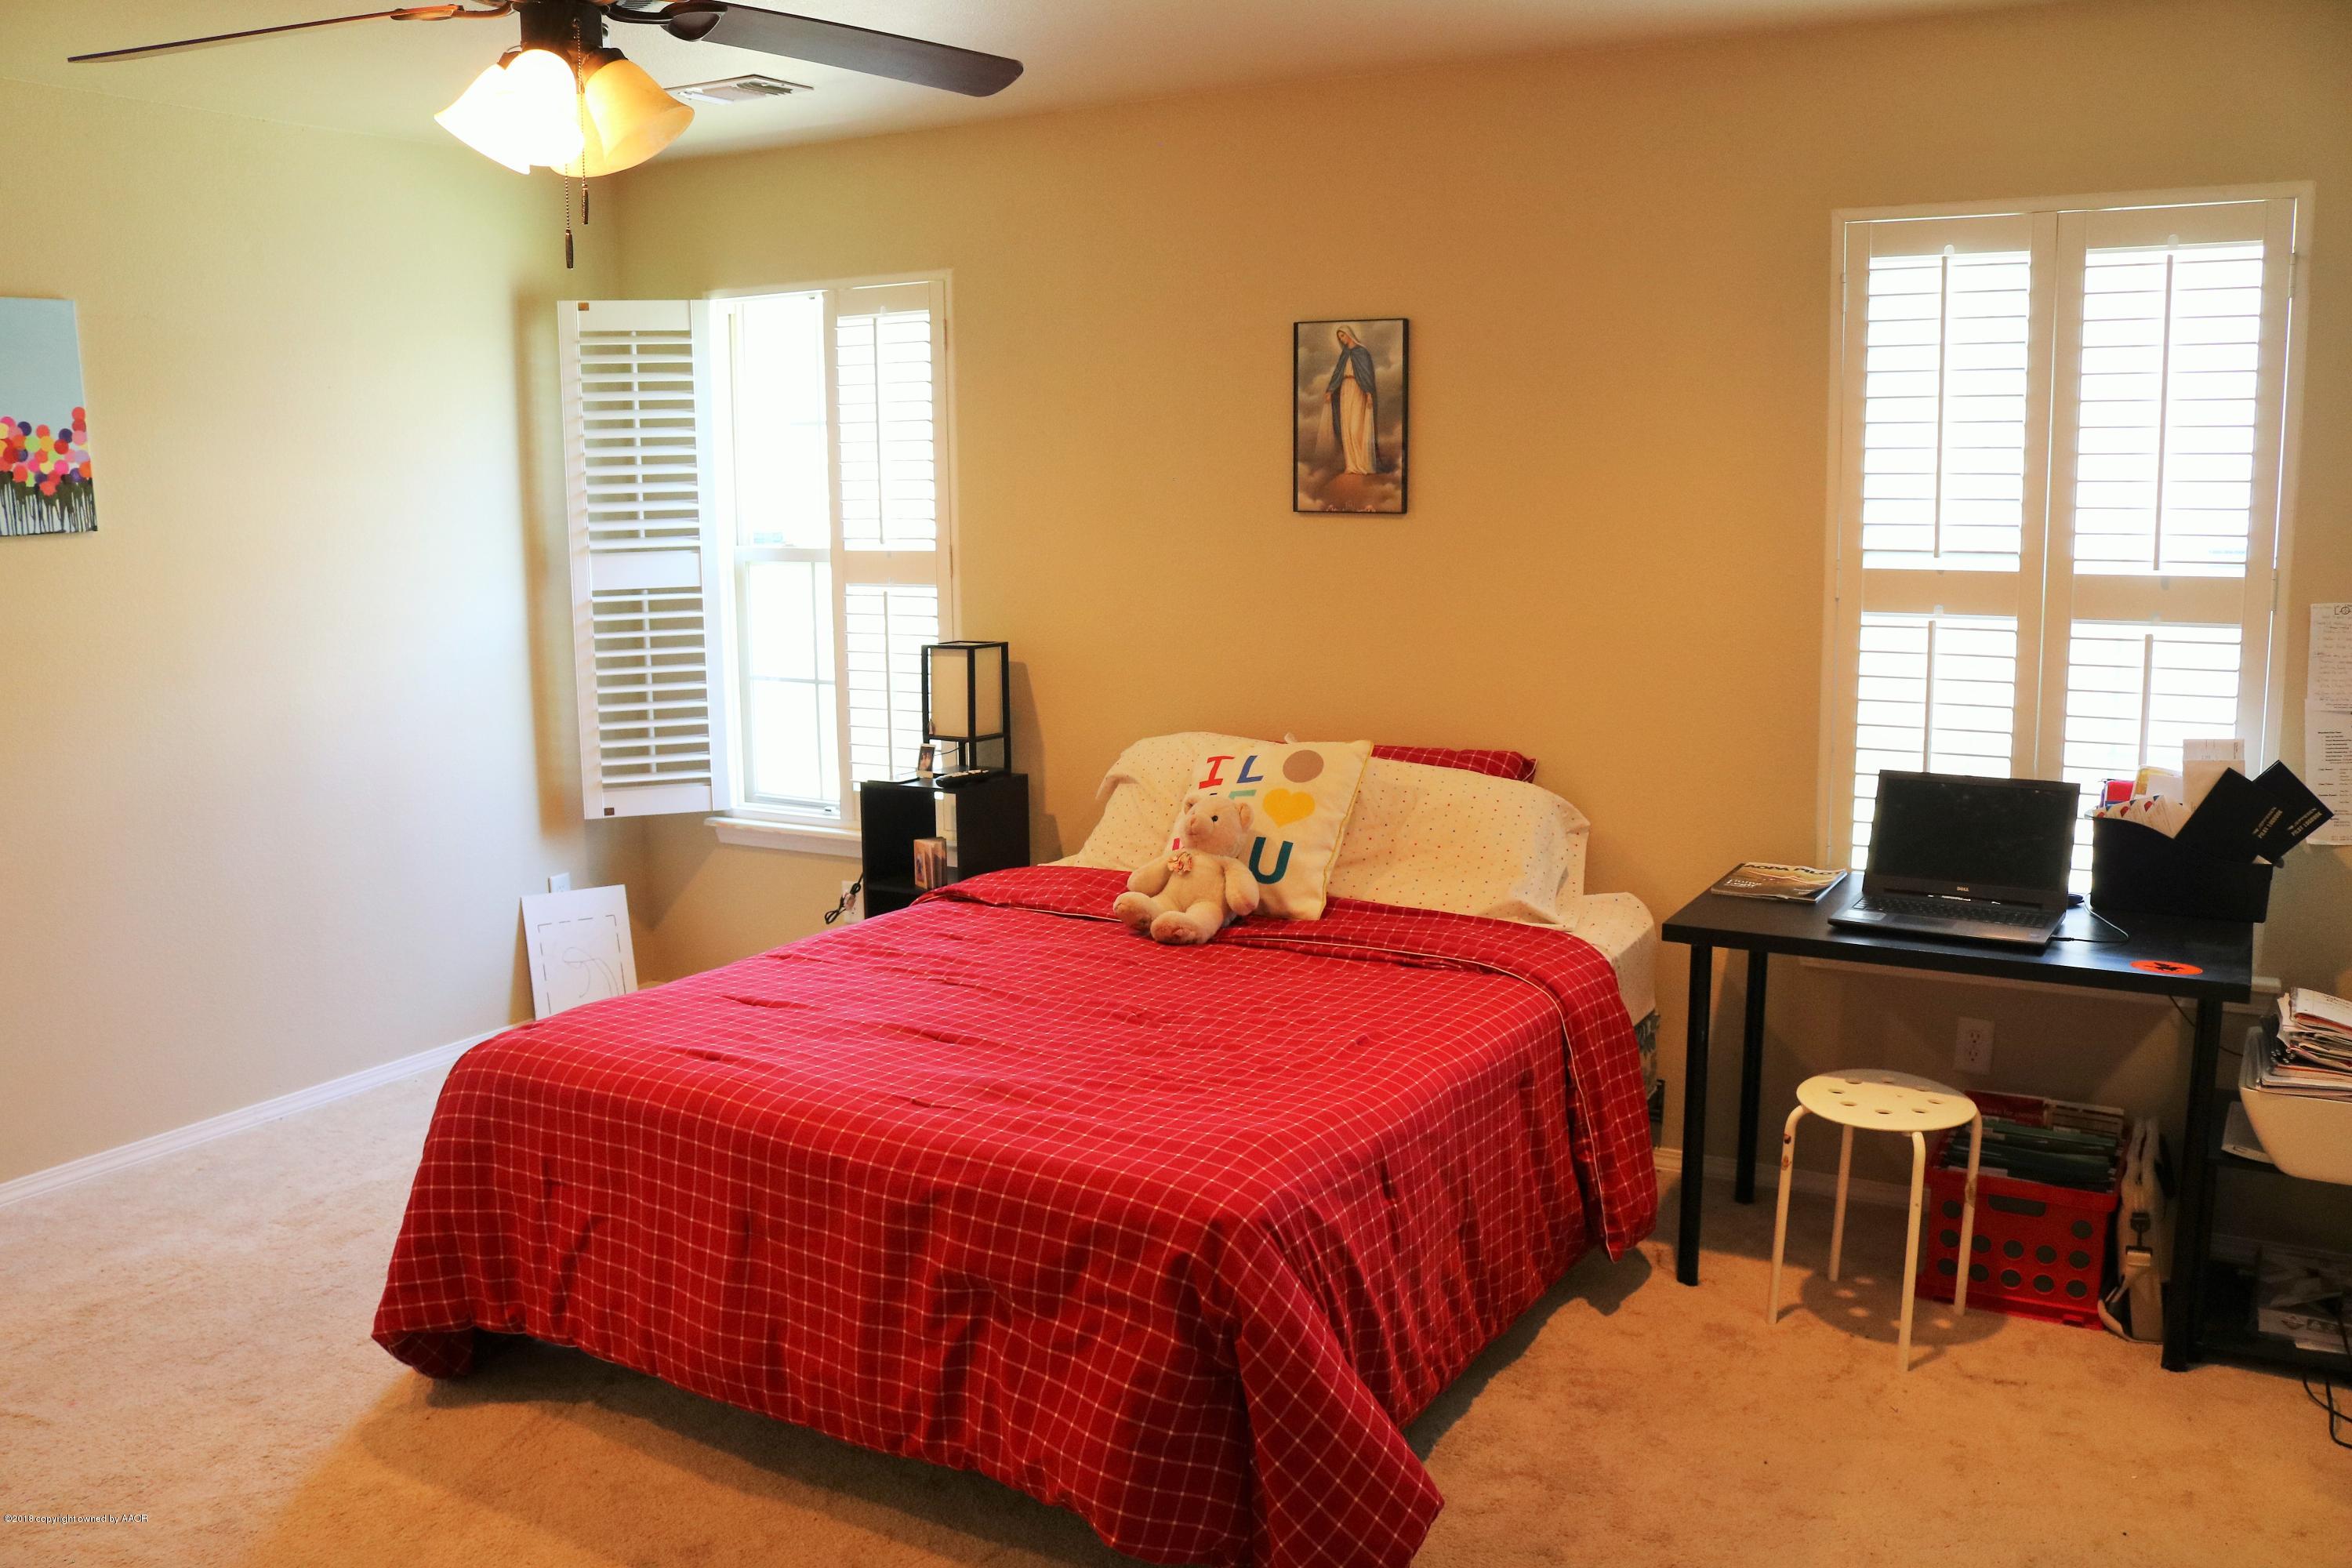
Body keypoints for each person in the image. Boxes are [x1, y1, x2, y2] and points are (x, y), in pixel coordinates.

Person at [1323, 326, 1377, 474]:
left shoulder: (1362, 352)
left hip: (1358, 389)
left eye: (1342, 335)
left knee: (1355, 429)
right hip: (1345, 390)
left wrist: (1368, 393)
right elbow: (1338, 373)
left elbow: (1366, 375)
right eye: (1339, 337)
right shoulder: (1345, 354)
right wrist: (1330, 390)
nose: (1341, 339)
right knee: (1346, 427)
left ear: (1349, 334)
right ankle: (1351, 465)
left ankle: (1362, 464)